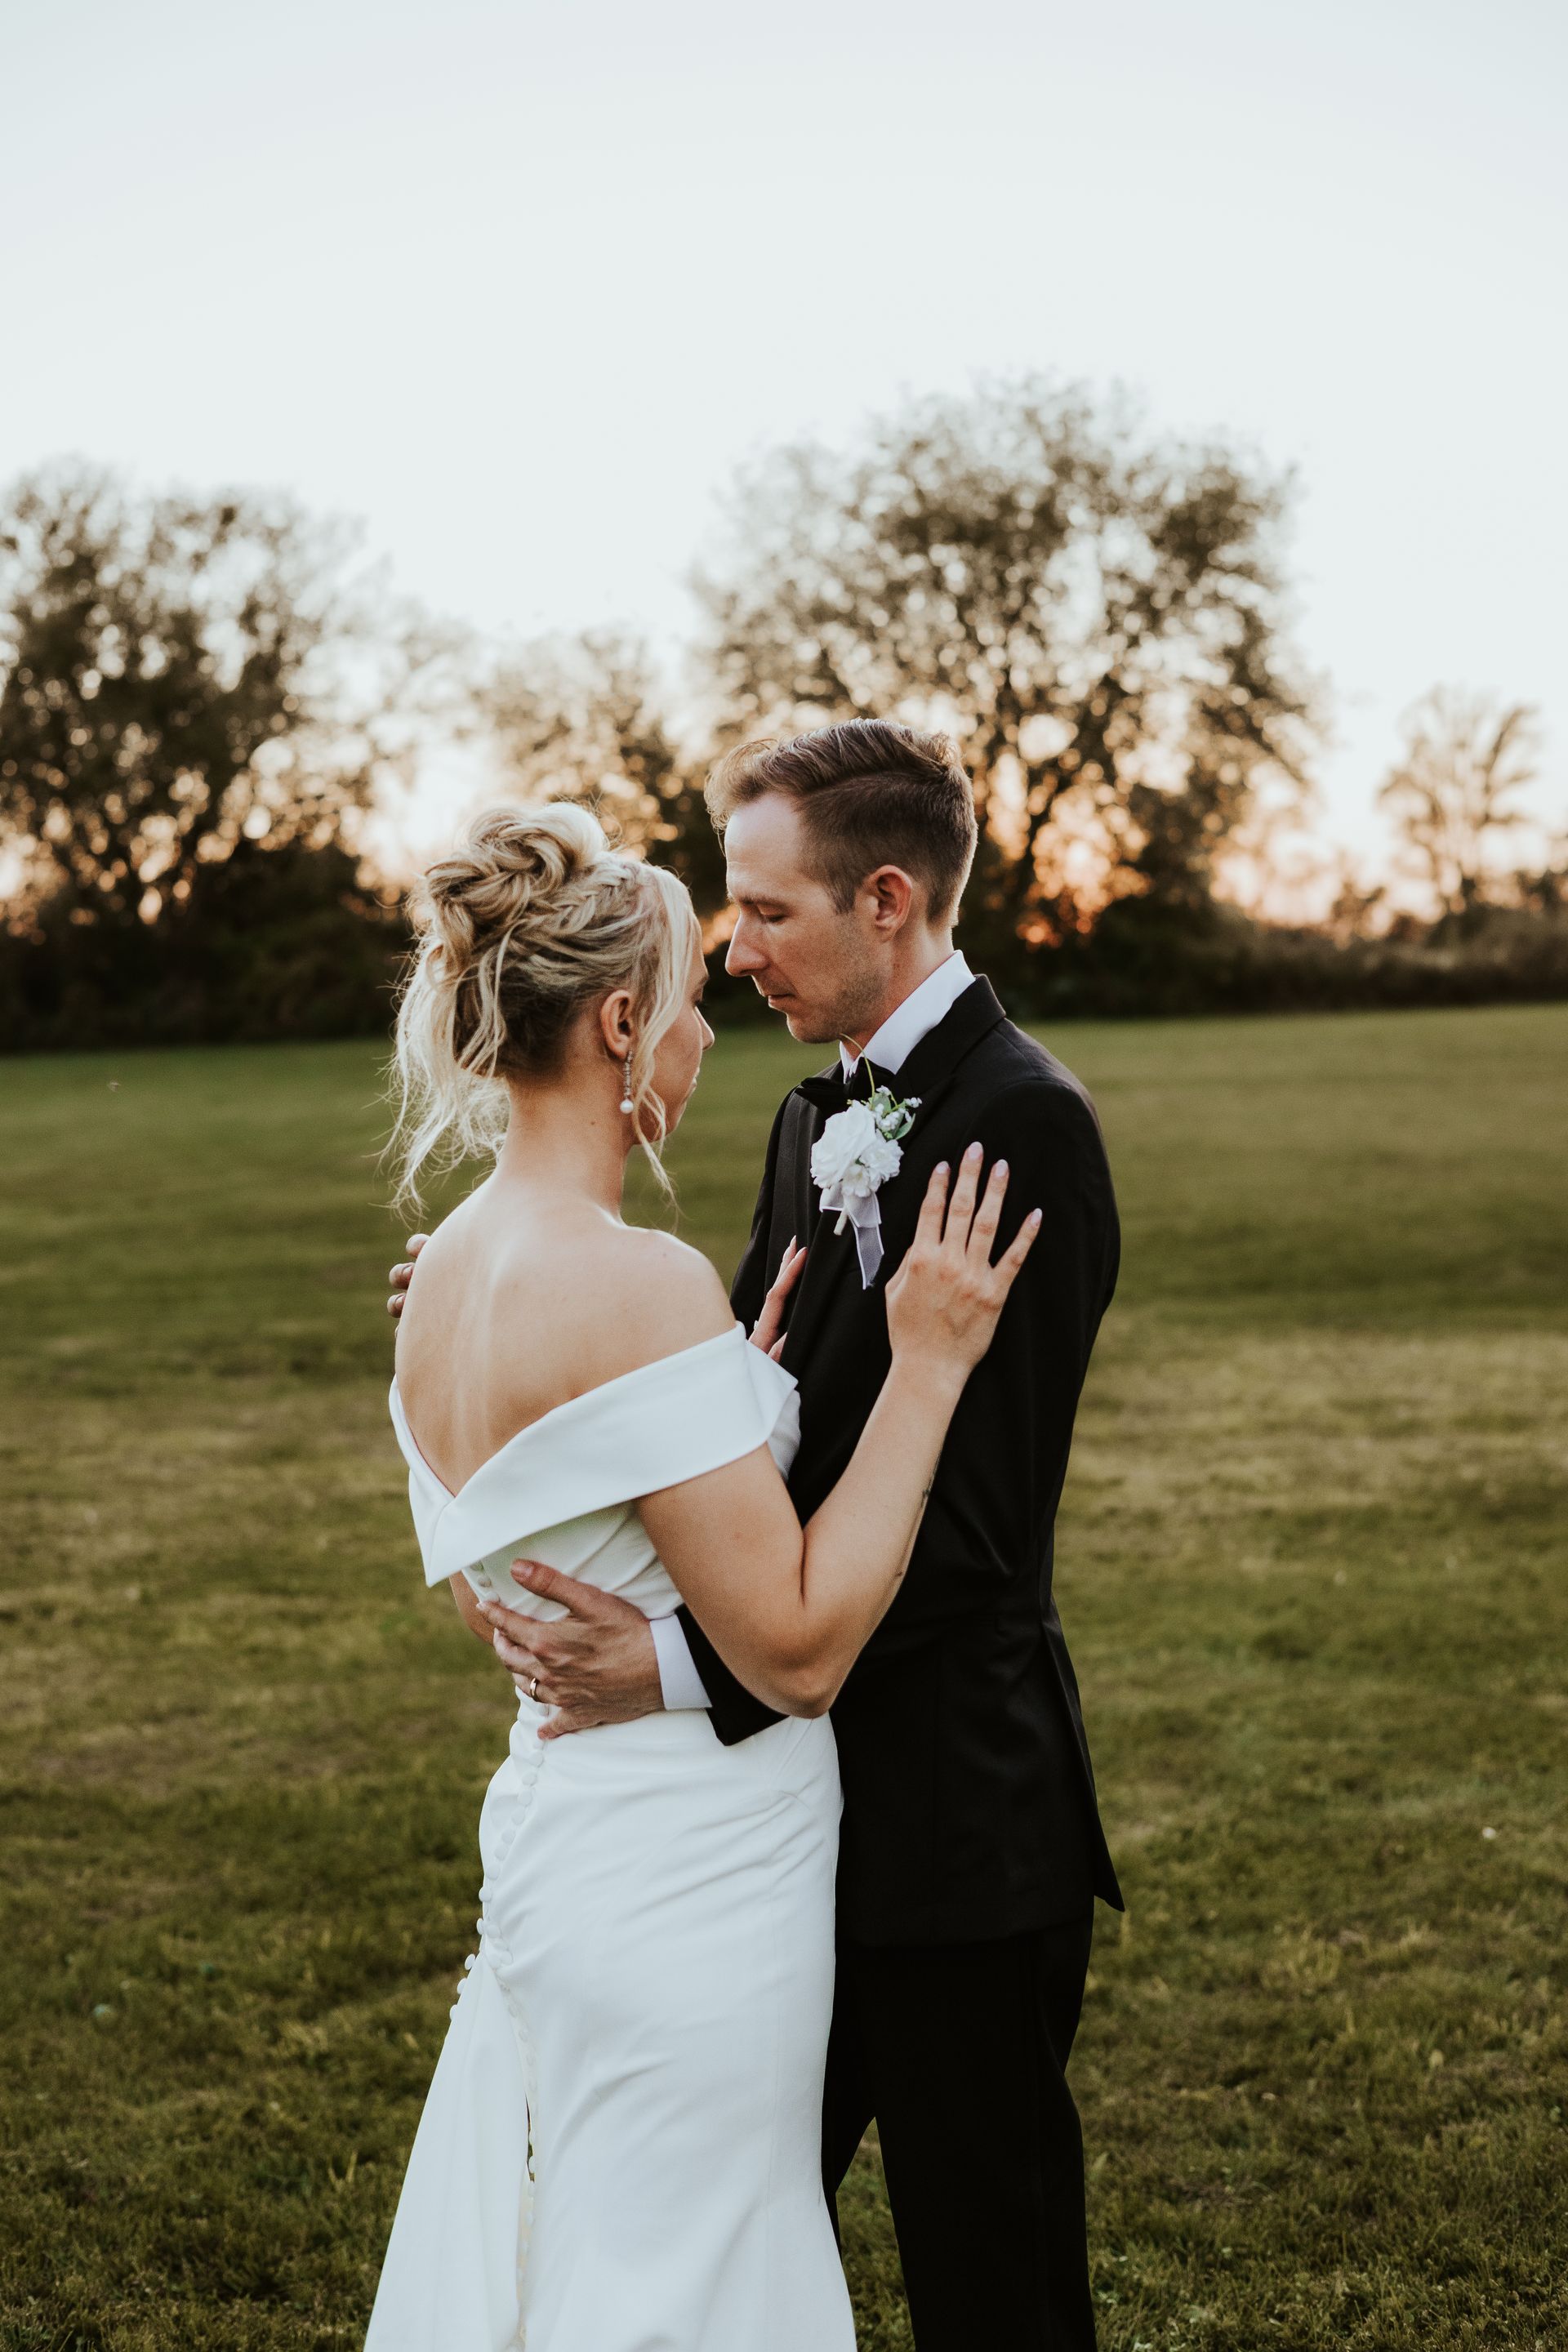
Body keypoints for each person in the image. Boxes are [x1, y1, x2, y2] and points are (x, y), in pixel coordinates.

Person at [390, 719, 1124, 2350]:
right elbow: (704, 1438)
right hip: (747, 1860)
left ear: (884, 901)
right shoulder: (810, 1128)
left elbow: (981, 1540)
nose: (738, 950)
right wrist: (525, 1360)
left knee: (984, 2278)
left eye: (769, 913)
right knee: (692, 2238)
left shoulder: (1027, 1123)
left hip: (942, 1821)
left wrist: (667, 1659)